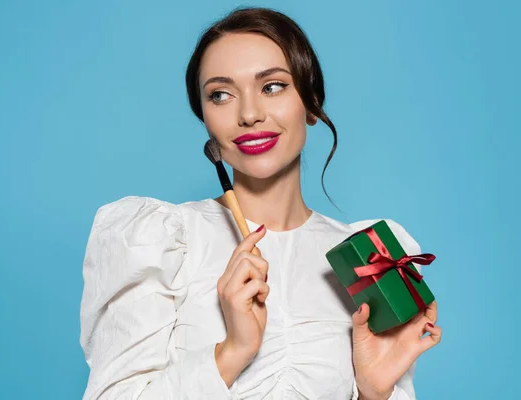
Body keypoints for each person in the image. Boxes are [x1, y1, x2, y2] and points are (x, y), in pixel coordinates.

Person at [79, 7, 441, 400]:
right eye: (220, 95)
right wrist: (232, 353)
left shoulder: (370, 257)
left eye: (272, 86)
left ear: (312, 101)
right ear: (205, 118)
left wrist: (374, 392)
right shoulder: (159, 240)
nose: (249, 114)